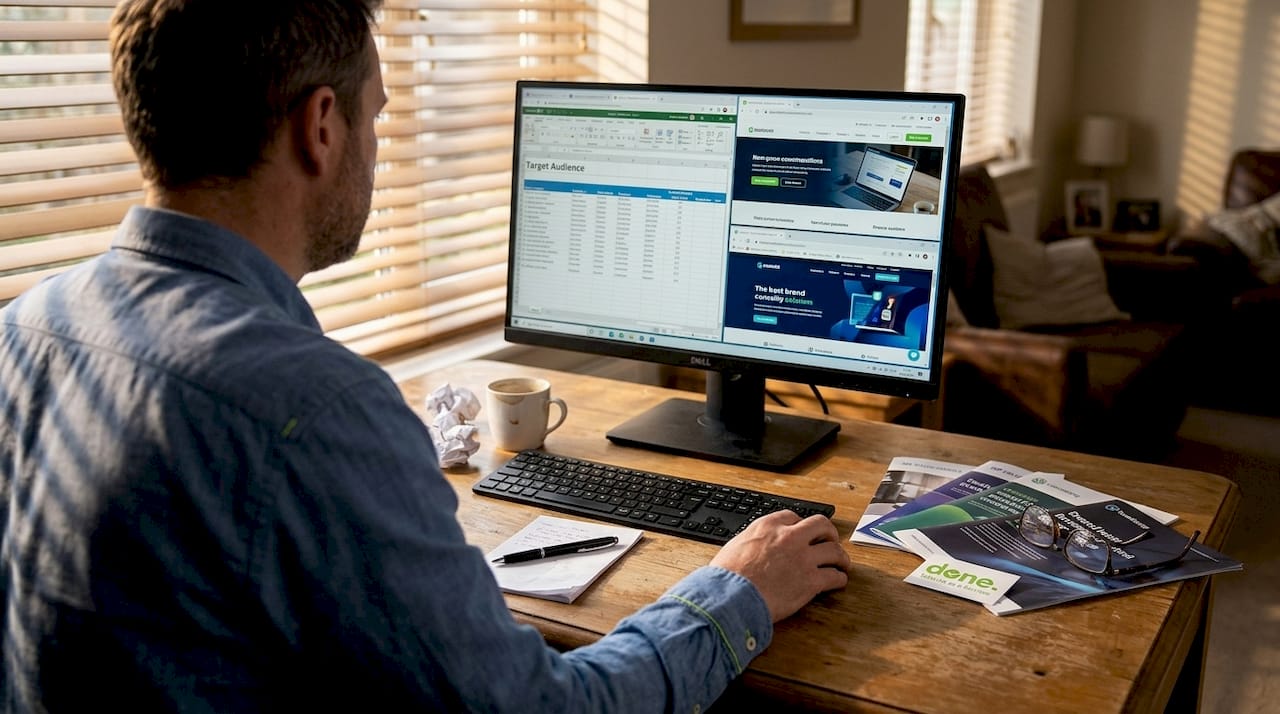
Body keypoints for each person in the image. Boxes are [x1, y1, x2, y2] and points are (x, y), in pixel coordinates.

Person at [0, 1, 852, 711]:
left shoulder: (26, 326)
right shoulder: (315, 408)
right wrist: (732, 592)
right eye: (375, 114)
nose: (376, 145)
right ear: (321, 127)